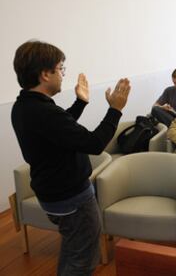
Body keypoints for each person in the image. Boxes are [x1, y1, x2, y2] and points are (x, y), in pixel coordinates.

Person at [11, 40, 131, 275]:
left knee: (73, 250)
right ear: (46, 74)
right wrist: (115, 109)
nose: (63, 75)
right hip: (71, 200)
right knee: (83, 261)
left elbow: (58, 131)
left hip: (52, 194)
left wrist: (81, 103)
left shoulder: (24, 105)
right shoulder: (44, 111)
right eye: (60, 69)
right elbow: (94, 144)